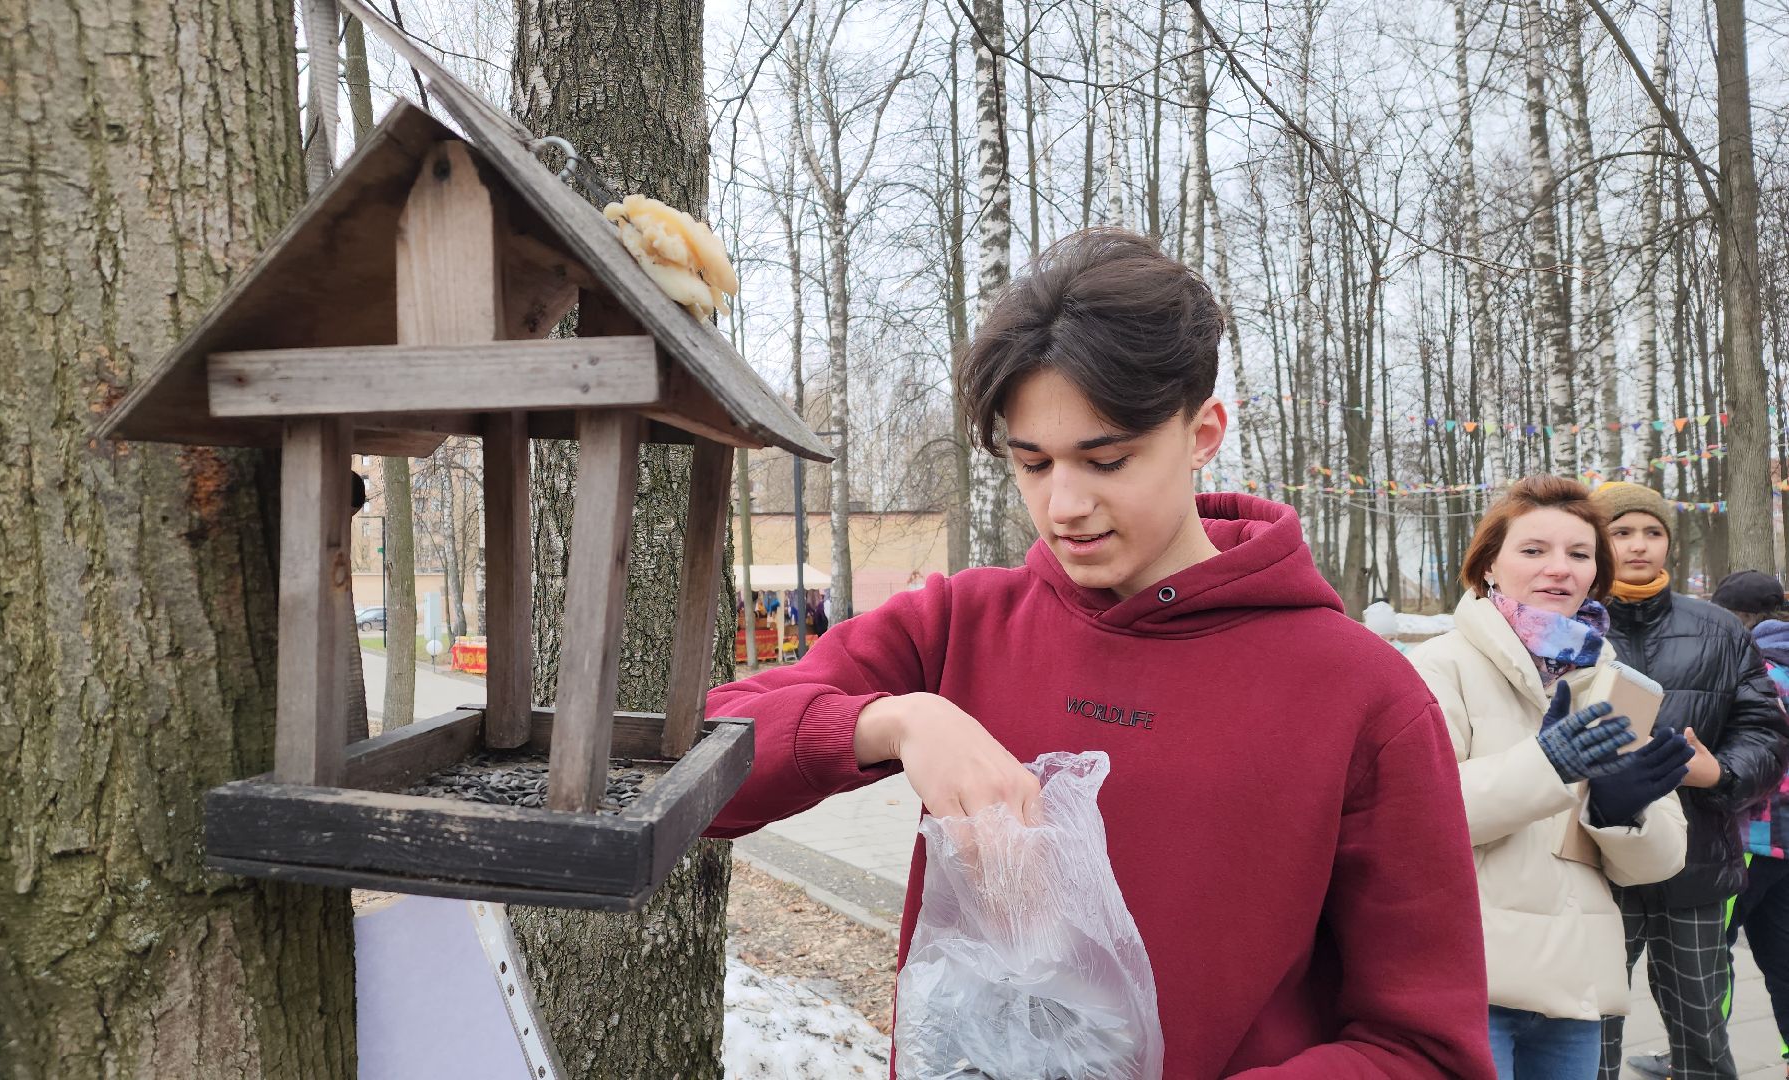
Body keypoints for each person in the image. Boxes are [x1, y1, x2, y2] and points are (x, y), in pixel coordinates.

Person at [701, 228, 1497, 1077]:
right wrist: (894, 721)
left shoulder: (1363, 692)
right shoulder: (963, 624)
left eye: (1106, 459)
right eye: (1033, 463)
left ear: (1203, 433)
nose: (1065, 504)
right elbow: (700, 759)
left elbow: (1424, 1048)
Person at [1409, 476, 1690, 1079]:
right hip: (1471, 987)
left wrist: (1620, 814)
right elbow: (1413, 821)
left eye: (1579, 554)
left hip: (1574, 996)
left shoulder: (1614, 681)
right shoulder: (1438, 665)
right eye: (1533, 550)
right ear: (1488, 565)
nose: (1558, 569)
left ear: (1596, 574)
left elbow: (1658, 862)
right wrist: (1547, 767)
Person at [1587, 484, 1789, 1080]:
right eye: (1621, 532)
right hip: (1594, 866)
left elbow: (1767, 734)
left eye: (1652, 532)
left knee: (1702, 1034)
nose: (1639, 546)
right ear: (1599, 540)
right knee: (1589, 1034)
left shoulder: (1721, 629)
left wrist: (1721, 773)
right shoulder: (1568, 626)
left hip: (1697, 861)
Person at [1709, 571, 1789, 1079]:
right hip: (1785, 849)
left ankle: (1697, 1058)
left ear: (1735, 620)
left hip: (1747, 843)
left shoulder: (1752, 672)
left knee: (1707, 957)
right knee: (1784, 960)